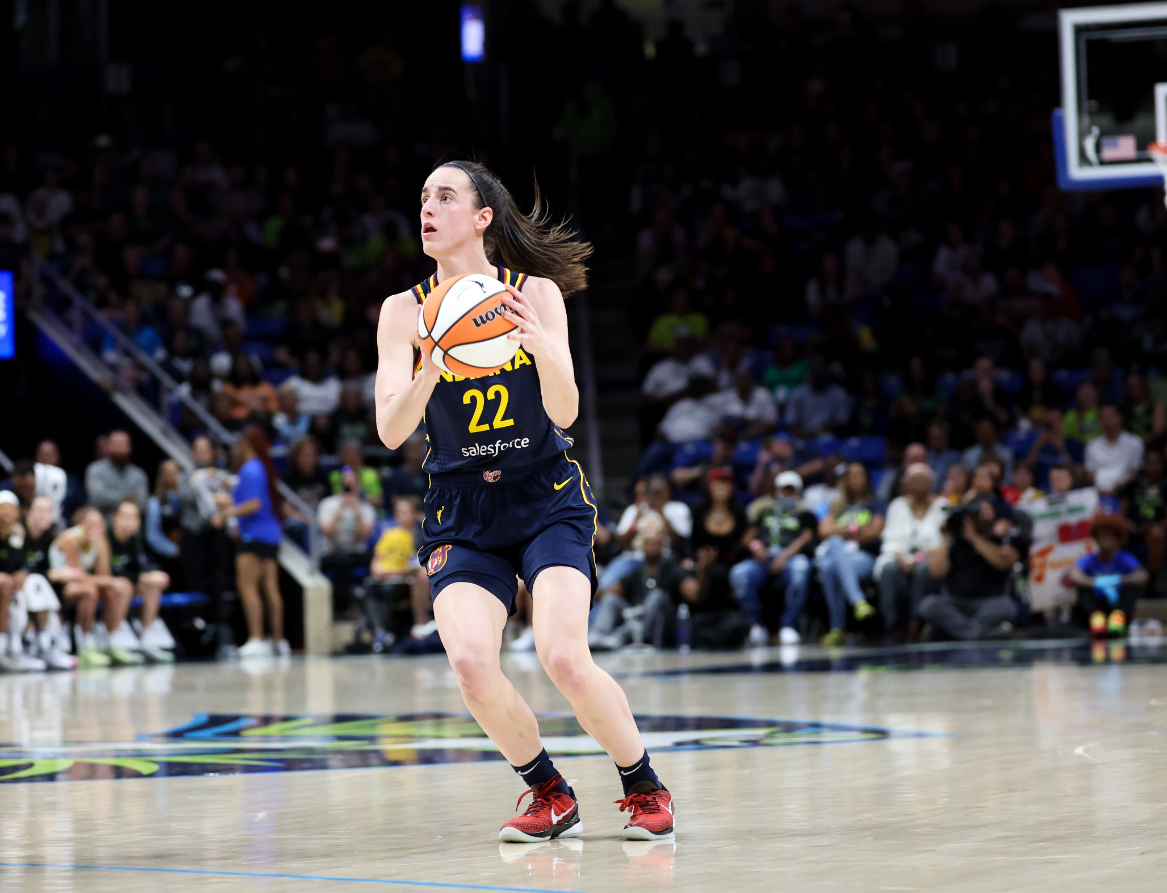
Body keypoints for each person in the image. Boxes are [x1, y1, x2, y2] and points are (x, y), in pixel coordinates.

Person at [374, 160, 674, 842]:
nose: (427, 207)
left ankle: (643, 784)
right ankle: (548, 790)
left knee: (563, 655)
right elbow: (391, 429)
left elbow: (564, 411)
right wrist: (429, 369)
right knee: (472, 663)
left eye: (444, 196)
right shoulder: (402, 310)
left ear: (482, 217)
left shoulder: (533, 292)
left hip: (544, 496)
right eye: (422, 195)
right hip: (461, 509)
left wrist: (539, 344)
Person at [214, 425, 287, 658]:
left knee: (247, 586)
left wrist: (226, 514)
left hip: (254, 533)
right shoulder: (261, 469)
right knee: (270, 588)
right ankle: (278, 640)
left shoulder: (250, 469)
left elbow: (254, 503)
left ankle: (257, 638)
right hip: (272, 533)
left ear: (246, 444)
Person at [730, 471, 818, 646]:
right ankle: (756, 625)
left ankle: (789, 625)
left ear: (798, 491)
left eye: (791, 490)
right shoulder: (766, 512)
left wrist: (785, 556)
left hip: (791, 558)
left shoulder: (805, 514)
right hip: (763, 559)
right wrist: (757, 547)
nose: (788, 494)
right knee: (739, 573)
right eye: (784, 490)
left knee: (801, 569)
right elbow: (748, 537)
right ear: (777, 490)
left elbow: (806, 537)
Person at [918, 496, 1022, 641]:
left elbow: (1003, 562)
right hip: (955, 603)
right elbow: (936, 572)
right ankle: (978, 634)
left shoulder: (1000, 539)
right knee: (929, 605)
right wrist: (947, 536)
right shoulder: (953, 542)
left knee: (1007, 607)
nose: (981, 517)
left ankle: (958, 631)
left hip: (989, 603)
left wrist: (974, 538)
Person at [48, 508, 133, 667]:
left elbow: (104, 575)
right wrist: (111, 581)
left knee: (120, 588)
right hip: (59, 587)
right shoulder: (70, 539)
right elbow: (78, 576)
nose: (95, 528)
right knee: (90, 590)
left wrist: (101, 549)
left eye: (99, 524)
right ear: (81, 525)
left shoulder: (100, 540)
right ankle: (85, 645)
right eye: (90, 524)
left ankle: (112, 640)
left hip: (82, 583)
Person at [815, 462, 886, 644]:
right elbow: (823, 531)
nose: (855, 479)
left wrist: (840, 531)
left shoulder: (876, 503)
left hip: (863, 556)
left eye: (860, 474)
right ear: (845, 480)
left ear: (867, 478)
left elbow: (875, 531)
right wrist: (850, 530)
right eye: (851, 475)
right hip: (841, 553)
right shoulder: (837, 505)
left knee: (830, 565)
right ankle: (858, 602)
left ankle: (836, 628)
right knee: (832, 557)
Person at [588, 532, 695, 650]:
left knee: (657, 595)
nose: (651, 548)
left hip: (659, 623)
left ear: (662, 546)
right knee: (611, 598)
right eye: (648, 544)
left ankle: (621, 636)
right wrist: (592, 588)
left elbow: (694, 594)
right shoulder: (638, 571)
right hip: (634, 614)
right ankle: (598, 634)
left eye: (655, 544)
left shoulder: (672, 570)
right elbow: (609, 592)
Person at [874, 464, 946, 639]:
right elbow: (890, 540)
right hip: (900, 558)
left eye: (922, 480)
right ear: (905, 483)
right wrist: (903, 560)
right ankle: (894, 624)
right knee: (889, 570)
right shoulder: (897, 506)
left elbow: (942, 542)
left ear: (932, 483)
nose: (918, 484)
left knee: (923, 570)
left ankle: (917, 621)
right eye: (913, 480)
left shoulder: (942, 505)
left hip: (930, 557)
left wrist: (917, 559)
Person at [106, 500, 175, 663]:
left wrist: (151, 575)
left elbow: (138, 568)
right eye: (125, 516)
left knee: (152, 584)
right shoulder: (106, 538)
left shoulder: (135, 539)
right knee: (124, 586)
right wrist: (142, 577)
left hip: (126, 584)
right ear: (114, 518)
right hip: (107, 585)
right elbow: (108, 572)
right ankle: (114, 639)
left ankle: (147, 637)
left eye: (134, 517)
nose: (129, 521)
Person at [15, 496, 76, 669]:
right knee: (36, 581)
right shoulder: (17, 531)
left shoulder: (47, 536)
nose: (44, 515)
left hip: (35, 589)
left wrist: (54, 574)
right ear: (28, 512)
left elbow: (47, 570)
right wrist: (50, 574)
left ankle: (46, 644)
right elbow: (16, 566)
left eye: (48, 511)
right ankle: (23, 646)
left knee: (42, 583)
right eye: (39, 510)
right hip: (14, 586)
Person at [1069, 514, 1148, 638]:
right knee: (1083, 591)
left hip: (1117, 604)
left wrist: (1120, 579)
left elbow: (1142, 575)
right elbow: (1074, 575)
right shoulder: (1089, 559)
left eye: (1110, 537)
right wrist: (1094, 582)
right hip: (1096, 604)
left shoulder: (1124, 558)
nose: (1105, 541)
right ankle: (1097, 619)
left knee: (1132, 590)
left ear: (1118, 539)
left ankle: (1118, 619)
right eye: (1102, 537)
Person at [317, 465, 377, 617]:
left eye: (352, 484)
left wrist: (356, 512)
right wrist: (340, 510)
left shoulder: (366, 508)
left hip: (356, 552)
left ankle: (371, 609)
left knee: (376, 557)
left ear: (358, 486)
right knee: (341, 562)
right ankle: (343, 609)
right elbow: (328, 533)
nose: (349, 487)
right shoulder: (327, 504)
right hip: (332, 552)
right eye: (346, 484)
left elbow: (365, 535)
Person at [0, 492, 47, 670]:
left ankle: (24, 645)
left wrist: (22, 572)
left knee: (30, 586)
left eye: (10, 508)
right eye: (2, 508)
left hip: (9, 585)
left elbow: (18, 564)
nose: (6, 512)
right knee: (5, 585)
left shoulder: (17, 535)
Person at [1122, 449, 1167, 575]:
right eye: (1149, 462)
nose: (1153, 465)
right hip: (1133, 527)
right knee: (1116, 530)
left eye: (1156, 462)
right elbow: (1121, 512)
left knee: (1157, 535)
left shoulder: (1165, 486)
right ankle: (1119, 575)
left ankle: (1152, 580)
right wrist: (1127, 524)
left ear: (1163, 465)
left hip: (1156, 527)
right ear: (1144, 464)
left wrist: (1157, 526)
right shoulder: (1133, 485)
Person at [84, 430, 149, 516]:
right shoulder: (95, 469)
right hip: (101, 522)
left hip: (129, 523)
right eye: (116, 443)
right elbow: (96, 497)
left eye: (122, 444)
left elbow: (142, 503)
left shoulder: (139, 475)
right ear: (108, 446)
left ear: (130, 447)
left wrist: (110, 498)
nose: (119, 448)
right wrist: (125, 498)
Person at [1084, 405, 1144, 496]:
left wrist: (1116, 490)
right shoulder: (1092, 445)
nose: (1107, 421)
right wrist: (1100, 491)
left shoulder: (1135, 442)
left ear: (1121, 418)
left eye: (1111, 417)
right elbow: (1090, 473)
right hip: (1098, 492)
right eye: (1104, 417)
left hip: (1125, 491)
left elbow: (1135, 472)